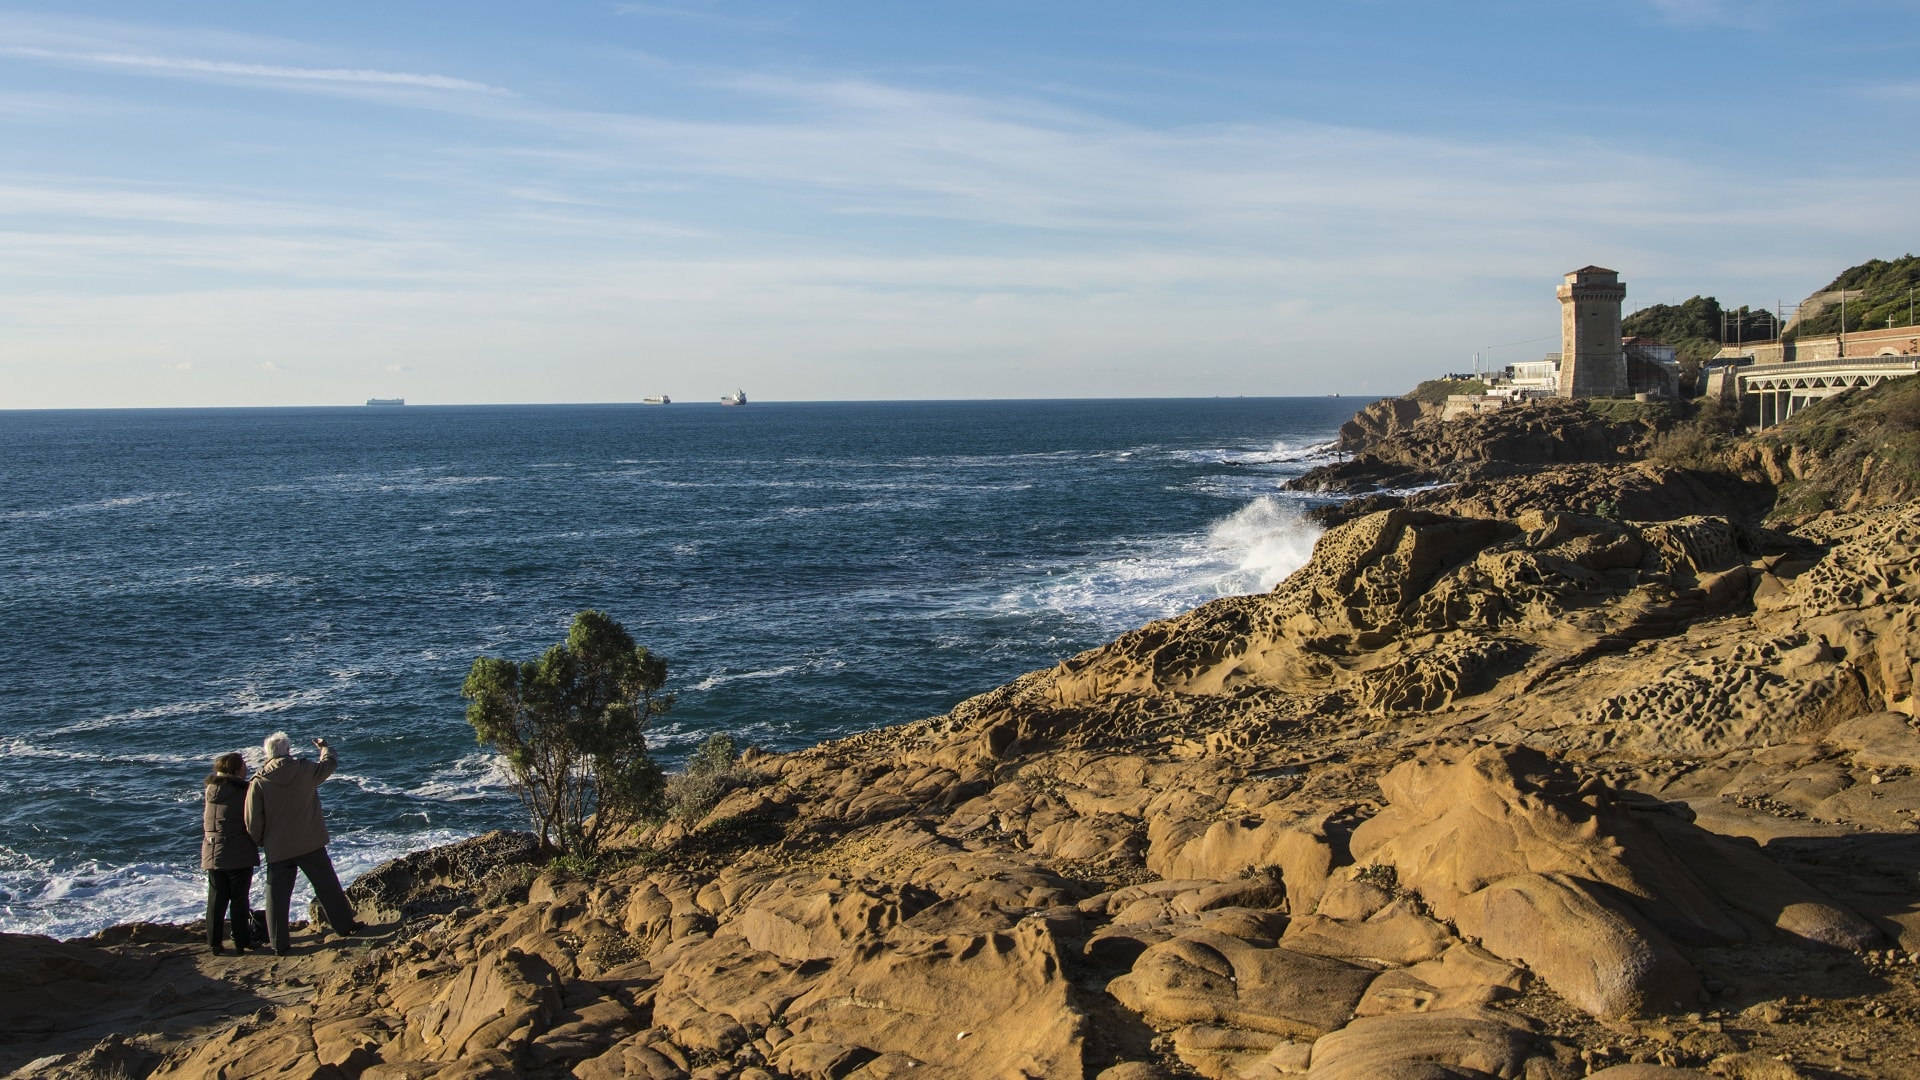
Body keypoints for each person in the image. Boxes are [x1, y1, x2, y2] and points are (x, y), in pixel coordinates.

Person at [244, 731, 362, 955]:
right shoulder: (304, 769)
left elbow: (252, 820)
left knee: (276, 897)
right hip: (310, 840)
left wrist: (262, 841)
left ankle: (279, 943)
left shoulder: (259, 782)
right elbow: (328, 765)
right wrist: (325, 747)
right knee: (327, 885)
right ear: (288, 750)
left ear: (267, 754)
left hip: (278, 846)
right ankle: (346, 926)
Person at [201, 752, 259, 954]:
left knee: (216, 899)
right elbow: (252, 819)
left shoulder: (211, 789)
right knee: (239, 898)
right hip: (237, 849)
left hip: (211, 848)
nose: (246, 768)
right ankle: (242, 941)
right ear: (236, 769)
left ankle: (214, 943)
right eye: (243, 765)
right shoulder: (242, 791)